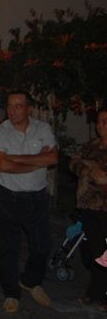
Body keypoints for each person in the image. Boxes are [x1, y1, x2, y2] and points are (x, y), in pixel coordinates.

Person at [0, 90, 56, 313]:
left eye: (18, 106)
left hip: (37, 197)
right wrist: (38, 162)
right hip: (8, 197)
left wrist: (14, 157)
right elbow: (3, 165)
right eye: (9, 105)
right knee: (8, 249)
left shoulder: (43, 129)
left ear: (28, 108)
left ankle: (29, 280)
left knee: (42, 246)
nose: (12, 110)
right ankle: (11, 293)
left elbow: (53, 158)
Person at [69, 107, 107, 312]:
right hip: (91, 207)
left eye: (105, 121)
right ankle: (96, 293)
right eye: (99, 121)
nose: (100, 126)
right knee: (95, 252)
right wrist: (88, 169)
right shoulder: (91, 146)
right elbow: (73, 163)